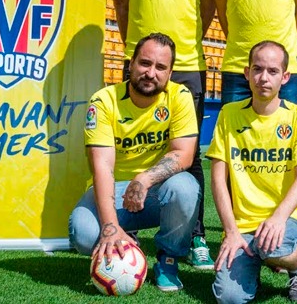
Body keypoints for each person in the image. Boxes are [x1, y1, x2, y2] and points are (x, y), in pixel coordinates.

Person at [110, 0, 215, 269]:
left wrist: (182, 46)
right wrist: (138, 51)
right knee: (131, 144)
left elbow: (207, 7)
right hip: (140, 63)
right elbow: (121, 4)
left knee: (190, 154)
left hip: (187, 65)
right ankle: (131, 225)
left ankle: (196, 234)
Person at [69, 33, 200, 292]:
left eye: (160, 67)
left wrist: (144, 178)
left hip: (155, 192)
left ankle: (168, 260)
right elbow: (102, 167)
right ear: (131, 64)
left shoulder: (180, 96)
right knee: (83, 234)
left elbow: (184, 154)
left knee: (186, 188)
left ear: (170, 72)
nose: (151, 73)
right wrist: (109, 226)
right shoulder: (104, 100)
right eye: (145, 63)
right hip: (113, 191)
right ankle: (123, 236)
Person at [207, 41, 297, 303]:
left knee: (274, 246)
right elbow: (218, 180)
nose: (263, 78)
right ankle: (253, 262)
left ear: (285, 77)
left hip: (287, 219)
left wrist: (278, 219)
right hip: (242, 226)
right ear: (247, 73)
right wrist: (231, 232)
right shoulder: (228, 114)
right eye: (257, 69)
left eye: (272, 71)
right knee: (229, 298)